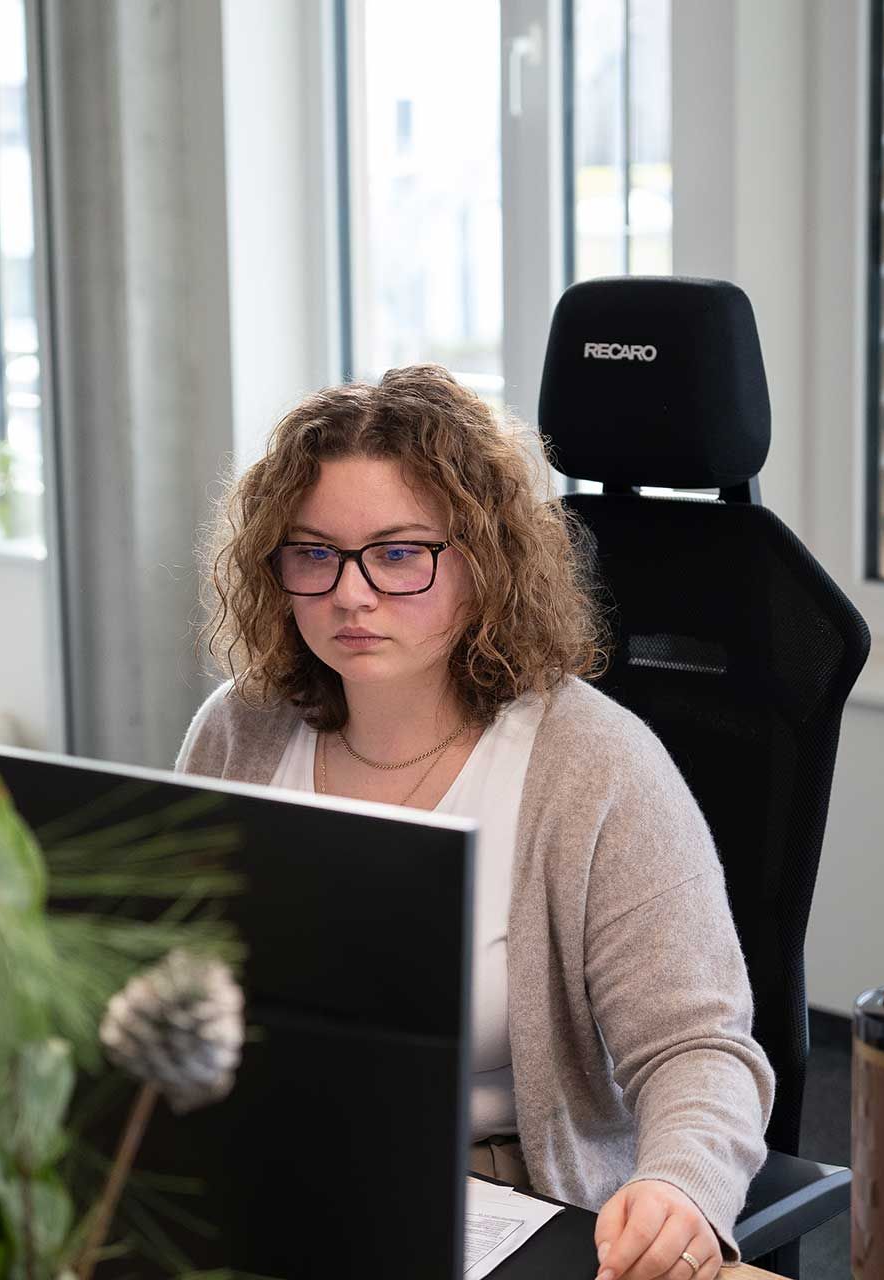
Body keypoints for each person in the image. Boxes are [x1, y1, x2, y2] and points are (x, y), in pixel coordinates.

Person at [176, 365, 774, 1279]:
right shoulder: (239, 729)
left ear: (484, 560)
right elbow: (175, 972)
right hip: (273, 1170)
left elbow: (698, 1047)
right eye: (313, 553)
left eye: (400, 552)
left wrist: (681, 1188)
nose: (351, 595)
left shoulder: (594, 765)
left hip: (500, 1190)